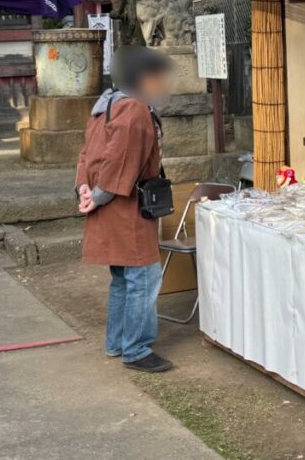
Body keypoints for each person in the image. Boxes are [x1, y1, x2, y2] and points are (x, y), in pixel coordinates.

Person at [76, 45, 175, 373]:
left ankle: (117, 342)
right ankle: (136, 348)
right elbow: (122, 160)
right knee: (143, 277)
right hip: (126, 206)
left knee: (121, 278)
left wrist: (85, 190)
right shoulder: (133, 110)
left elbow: (86, 155)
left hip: (106, 205)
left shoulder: (105, 104)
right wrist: (100, 194)